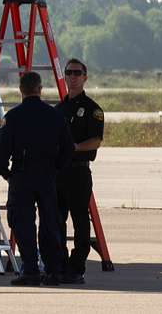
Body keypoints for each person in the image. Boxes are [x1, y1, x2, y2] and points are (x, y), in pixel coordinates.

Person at [0, 71, 73, 286]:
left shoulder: (13, 116)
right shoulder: (55, 115)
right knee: (50, 224)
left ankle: (30, 270)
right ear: (40, 89)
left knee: (22, 224)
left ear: (21, 90)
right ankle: (53, 271)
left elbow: (2, 151)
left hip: (22, 175)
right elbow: (68, 148)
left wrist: (6, 173)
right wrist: (56, 169)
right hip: (47, 175)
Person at [54, 58, 105, 284]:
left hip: (79, 172)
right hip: (58, 172)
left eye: (77, 73)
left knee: (80, 221)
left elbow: (96, 141)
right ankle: (58, 263)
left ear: (85, 77)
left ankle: (77, 266)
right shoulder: (58, 109)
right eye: (69, 73)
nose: (72, 77)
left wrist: (75, 148)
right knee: (55, 220)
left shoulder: (93, 110)